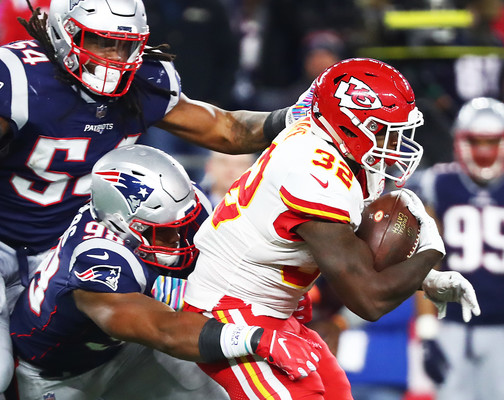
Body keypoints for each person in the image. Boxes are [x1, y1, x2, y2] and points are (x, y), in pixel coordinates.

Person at [0, 0, 310, 398]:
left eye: (126, 45)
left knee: (24, 373)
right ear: (65, 32)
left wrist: (292, 118)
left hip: (56, 246)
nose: (116, 58)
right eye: (102, 42)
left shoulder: (145, 80)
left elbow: (226, 129)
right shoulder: (25, 75)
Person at [181, 58, 481, 399]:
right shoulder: (311, 170)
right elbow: (368, 300)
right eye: (384, 130)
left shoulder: (337, 148)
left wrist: (426, 279)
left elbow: (358, 252)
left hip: (276, 311)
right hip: (233, 313)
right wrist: (432, 249)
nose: (396, 144)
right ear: (350, 125)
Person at [7, 144, 320, 399]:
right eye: (163, 232)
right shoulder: (98, 258)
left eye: (181, 226)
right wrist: (254, 338)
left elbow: (227, 261)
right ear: (122, 225)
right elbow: (164, 330)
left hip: (124, 352)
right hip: (54, 373)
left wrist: (272, 290)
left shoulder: (184, 207)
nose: (179, 239)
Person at [411, 97, 504, 400]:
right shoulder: (438, 183)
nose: (484, 151)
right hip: (450, 324)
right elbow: (425, 261)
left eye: (492, 142)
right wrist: (427, 332)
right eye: (476, 141)